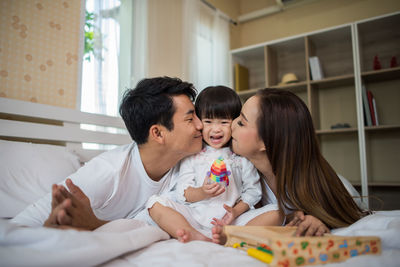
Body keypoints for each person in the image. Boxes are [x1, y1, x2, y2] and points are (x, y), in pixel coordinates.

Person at [11, 76, 204, 229]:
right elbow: (19, 226)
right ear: (157, 133)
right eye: (190, 119)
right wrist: (50, 229)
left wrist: (96, 225)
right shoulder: (106, 172)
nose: (201, 125)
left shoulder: (191, 164)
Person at [211, 88, 369, 244]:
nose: (231, 125)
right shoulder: (244, 174)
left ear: (266, 140)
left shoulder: (321, 187)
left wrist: (320, 222)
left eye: (241, 122)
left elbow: (346, 217)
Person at [141, 86, 282, 242]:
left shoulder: (240, 158)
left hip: (232, 222)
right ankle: (192, 233)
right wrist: (203, 192)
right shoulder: (193, 156)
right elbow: (183, 193)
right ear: (199, 122)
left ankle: (230, 236)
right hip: (195, 218)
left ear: (234, 122)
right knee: (154, 202)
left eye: (223, 122)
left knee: (277, 211)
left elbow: (253, 192)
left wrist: (234, 212)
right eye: (208, 121)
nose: (215, 129)